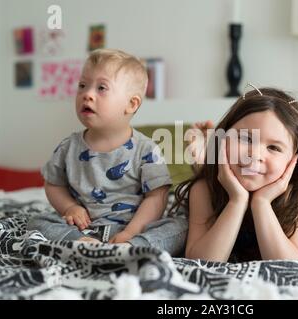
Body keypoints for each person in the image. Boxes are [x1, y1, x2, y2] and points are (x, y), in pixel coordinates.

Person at [28, 49, 187, 255]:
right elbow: (53, 183)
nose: (87, 94)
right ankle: (82, 243)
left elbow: (157, 197)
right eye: (82, 86)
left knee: (181, 227)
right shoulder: (68, 147)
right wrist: (69, 208)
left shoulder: (147, 149)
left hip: (131, 229)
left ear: (131, 104)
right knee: (36, 221)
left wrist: (131, 232)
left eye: (101, 88)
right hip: (83, 227)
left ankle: (130, 248)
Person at [173, 86, 298, 262]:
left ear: (294, 161)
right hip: (227, 178)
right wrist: (237, 200)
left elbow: (291, 265)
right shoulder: (204, 190)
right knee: (208, 177)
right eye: (246, 138)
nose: (254, 155)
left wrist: (262, 203)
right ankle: (208, 163)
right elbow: (202, 260)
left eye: (273, 147)